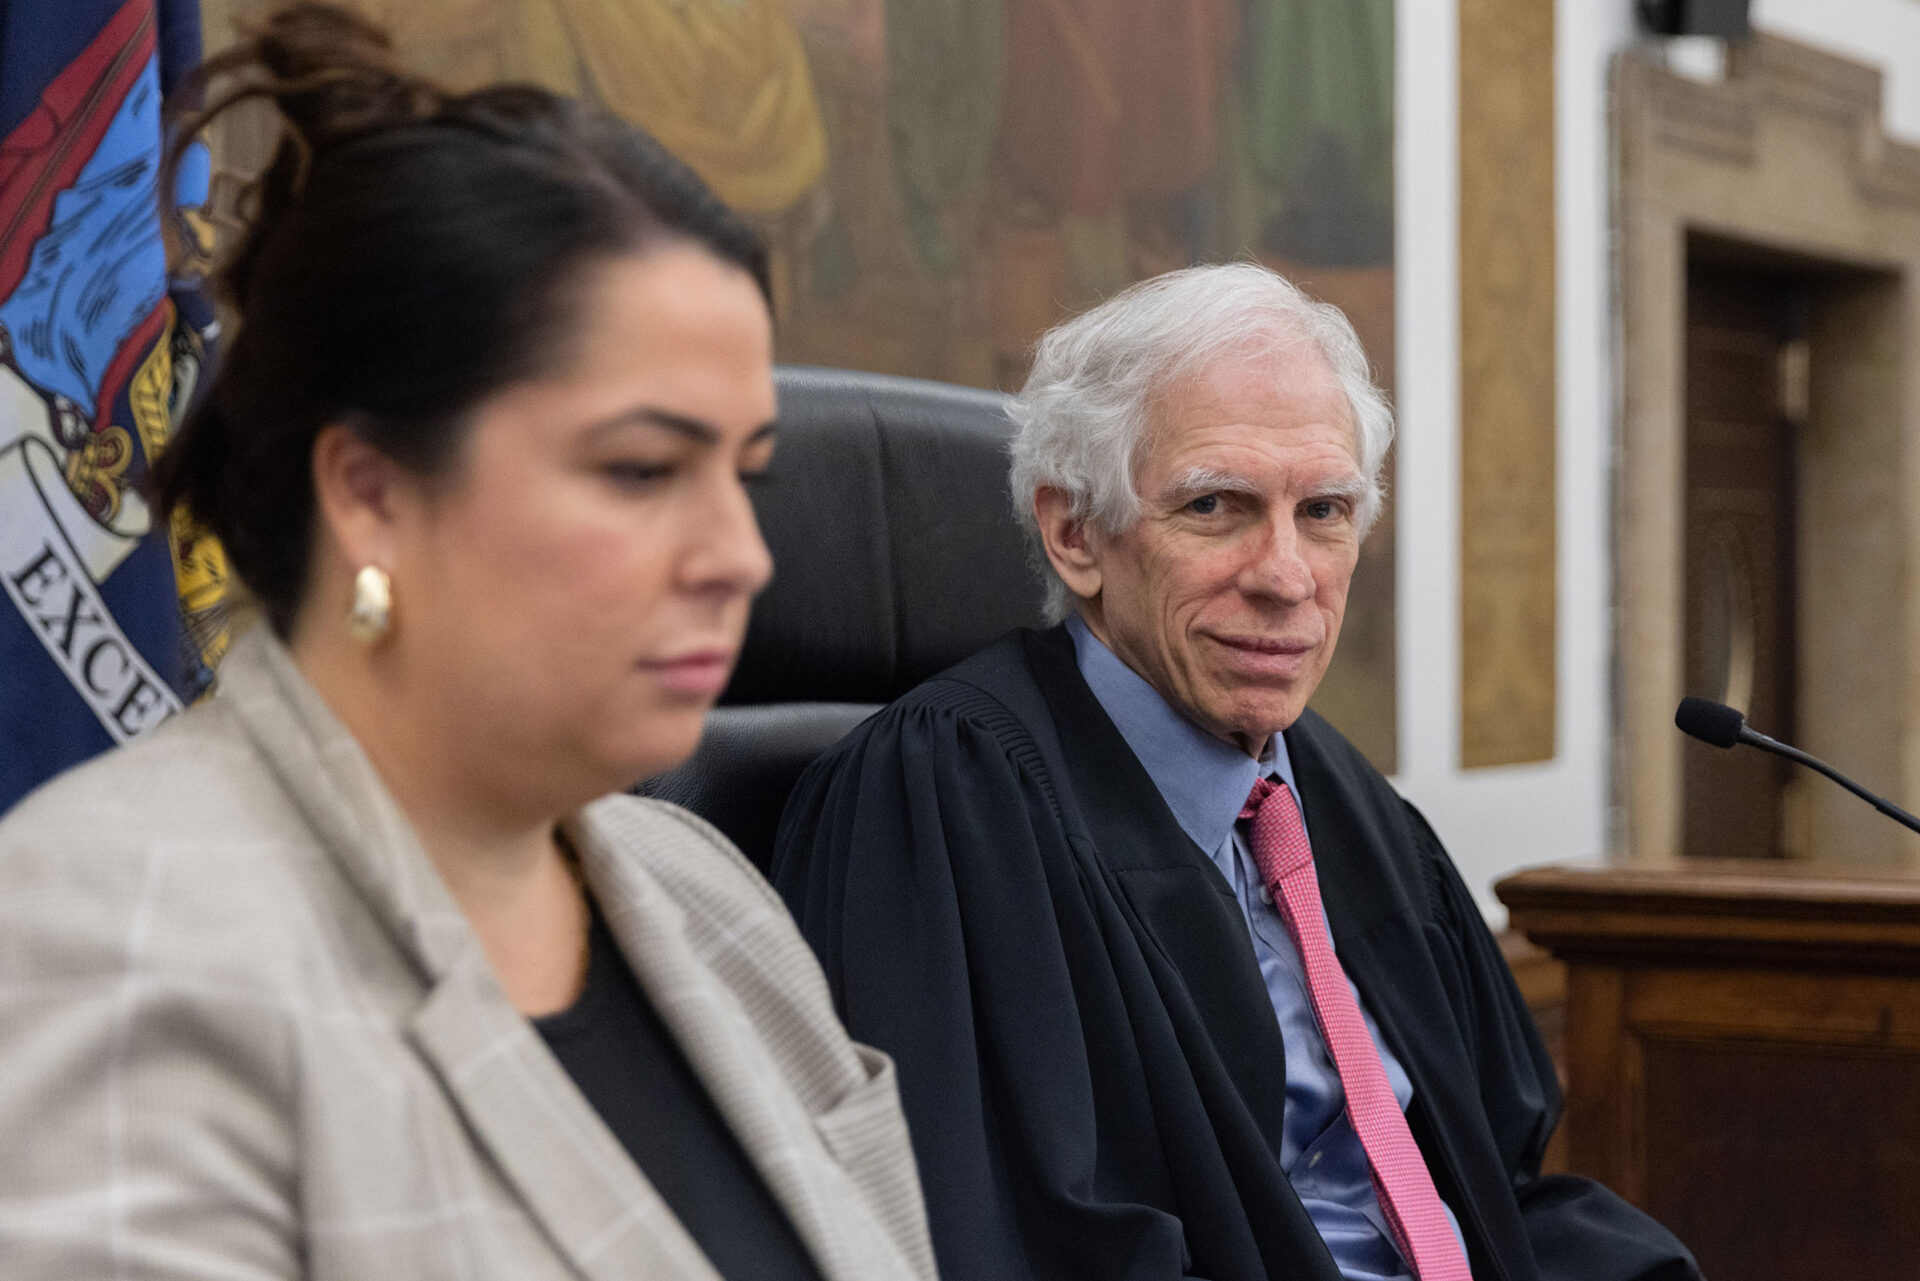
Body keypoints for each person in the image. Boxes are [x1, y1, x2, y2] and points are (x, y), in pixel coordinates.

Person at [0, 8, 935, 1281]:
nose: (742, 556)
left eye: (747, 476)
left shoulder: (717, 904)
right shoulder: (105, 930)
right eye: (643, 469)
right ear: (374, 491)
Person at [771, 263, 1701, 1281]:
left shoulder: (1352, 814)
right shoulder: (946, 801)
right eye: (1216, 505)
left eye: (1325, 511)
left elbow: (1492, 1188)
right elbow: (1008, 1244)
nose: (1287, 576)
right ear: (1075, 533)